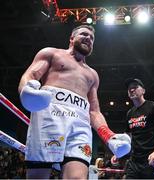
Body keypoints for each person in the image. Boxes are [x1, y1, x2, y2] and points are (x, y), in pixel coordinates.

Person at [18, 25, 131, 179]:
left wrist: (109, 136)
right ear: (71, 38)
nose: (89, 39)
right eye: (84, 34)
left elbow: (94, 111)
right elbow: (30, 75)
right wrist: (27, 91)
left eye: (92, 38)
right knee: (38, 177)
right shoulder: (52, 53)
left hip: (80, 124)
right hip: (51, 116)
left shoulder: (92, 74)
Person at [124, 78, 154, 179]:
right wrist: (118, 151)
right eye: (129, 88)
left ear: (143, 91)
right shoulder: (129, 113)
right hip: (134, 162)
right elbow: (127, 136)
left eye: (135, 87)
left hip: (152, 160)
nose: (131, 90)